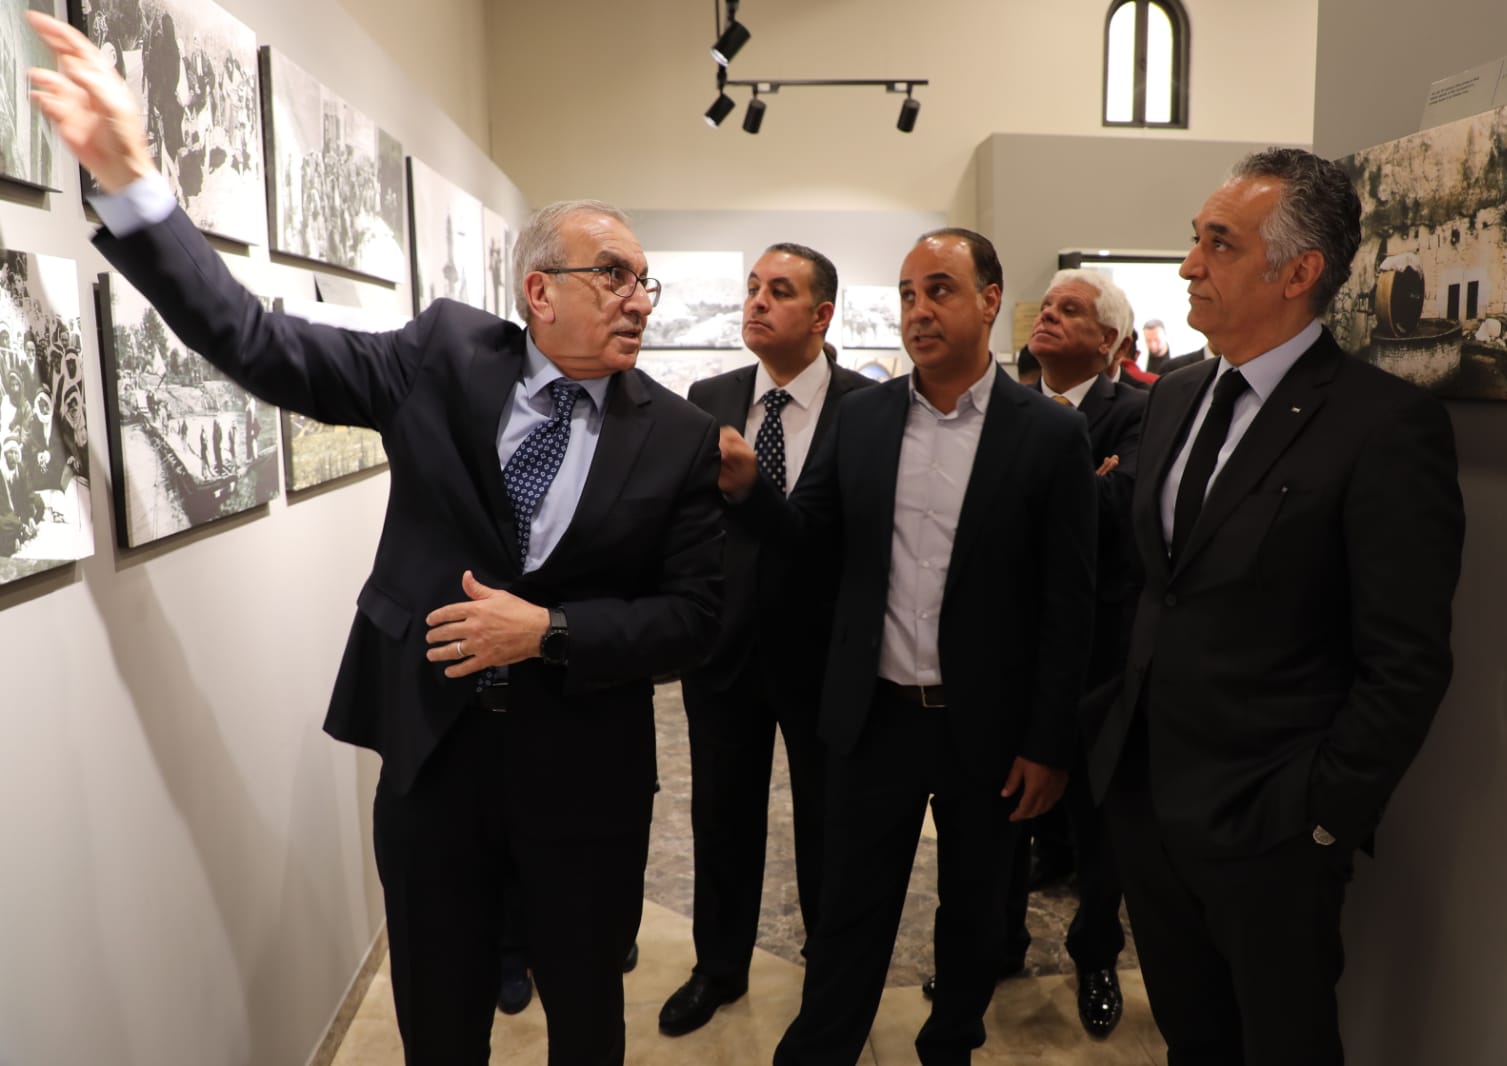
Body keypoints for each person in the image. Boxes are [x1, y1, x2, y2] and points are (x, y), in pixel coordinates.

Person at [28, 14, 724, 1066]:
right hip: (434, 758)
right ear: (539, 291)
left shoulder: (676, 436)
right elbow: (259, 344)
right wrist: (135, 188)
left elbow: (696, 618)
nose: (640, 300)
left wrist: (550, 631)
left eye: (645, 282)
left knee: (587, 1017)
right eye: (615, 275)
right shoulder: (442, 358)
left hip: (584, 773)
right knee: (437, 1020)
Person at [1088, 147, 1465, 1064]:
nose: (1189, 265)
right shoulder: (1177, 396)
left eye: (1219, 244)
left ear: (1298, 274)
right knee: (1192, 1041)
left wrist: (1320, 818)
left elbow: (1406, 658)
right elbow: (1154, 581)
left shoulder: (1383, 425)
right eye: (1195, 239)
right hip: (1146, 800)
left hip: (1272, 827)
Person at [720, 227, 1098, 1066]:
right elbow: (808, 536)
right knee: (849, 907)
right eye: (906, 294)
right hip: (876, 716)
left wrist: (1048, 742)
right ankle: (821, 1050)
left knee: (974, 909)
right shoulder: (864, 417)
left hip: (987, 726)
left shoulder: (1047, 434)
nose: (918, 310)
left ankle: (950, 1044)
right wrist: (751, 493)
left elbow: (1069, 604)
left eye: (939, 290)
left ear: (990, 301)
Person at [656, 243, 872, 1038]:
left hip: (823, 652)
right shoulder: (710, 397)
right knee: (722, 815)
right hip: (723, 650)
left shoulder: (866, 407)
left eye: (780, 291)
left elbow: (853, 536)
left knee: (829, 822)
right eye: (753, 288)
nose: (757, 302)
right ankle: (719, 966)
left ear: (821, 315)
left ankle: (829, 967)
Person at [987, 268, 1148, 1037]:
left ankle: (1095, 956)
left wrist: (1065, 484)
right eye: (1045, 307)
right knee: (1000, 815)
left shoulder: (1138, 414)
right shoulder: (1003, 410)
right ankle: (997, 945)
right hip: (1007, 654)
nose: (1046, 316)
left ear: (1109, 339)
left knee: (1097, 819)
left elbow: (1119, 514)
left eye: (1069, 310)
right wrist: (1086, 480)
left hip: (1096, 656)